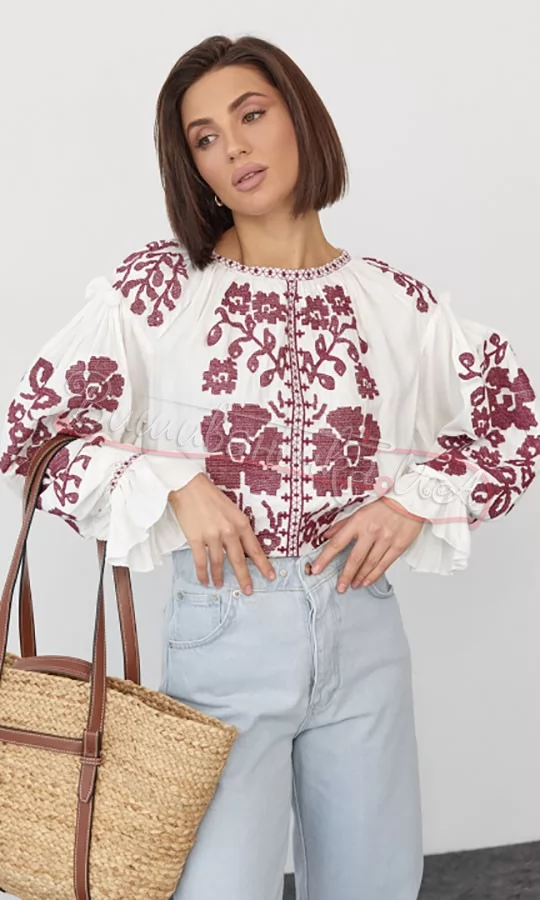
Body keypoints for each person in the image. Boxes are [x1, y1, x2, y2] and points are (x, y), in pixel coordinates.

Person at [1, 33, 539, 900]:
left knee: (373, 887)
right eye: (205, 138)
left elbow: (511, 422)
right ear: (193, 167)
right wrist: (174, 482)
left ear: (300, 119)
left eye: (251, 115)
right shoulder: (159, 291)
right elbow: (34, 436)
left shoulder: (398, 303)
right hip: (223, 630)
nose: (235, 148)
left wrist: (413, 502)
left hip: (364, 629)